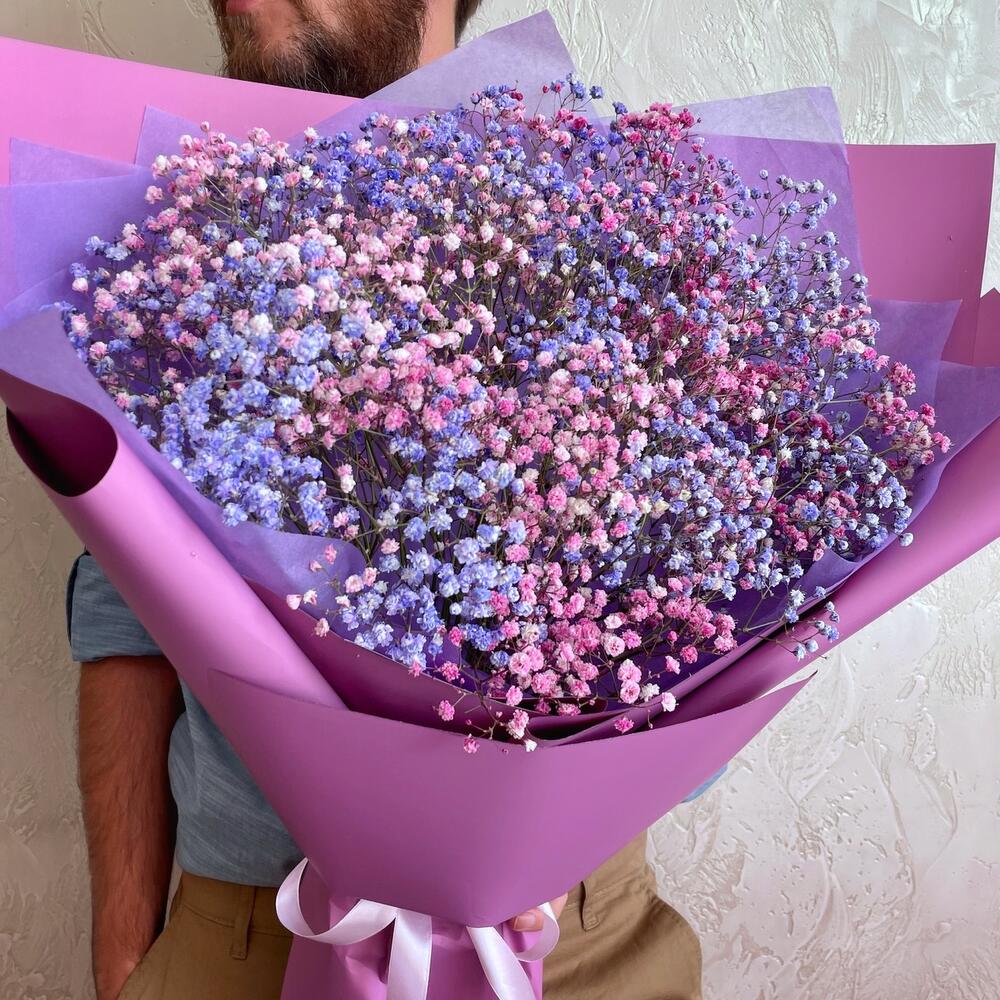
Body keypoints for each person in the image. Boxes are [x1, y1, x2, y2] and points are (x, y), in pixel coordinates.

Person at [70, 2, 707, 998]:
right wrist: (122, 955)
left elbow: (720, 636)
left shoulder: (615, 219)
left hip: (569, 939)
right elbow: (123, 618)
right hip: (245, 938)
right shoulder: (170, 240)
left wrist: (554, 822)